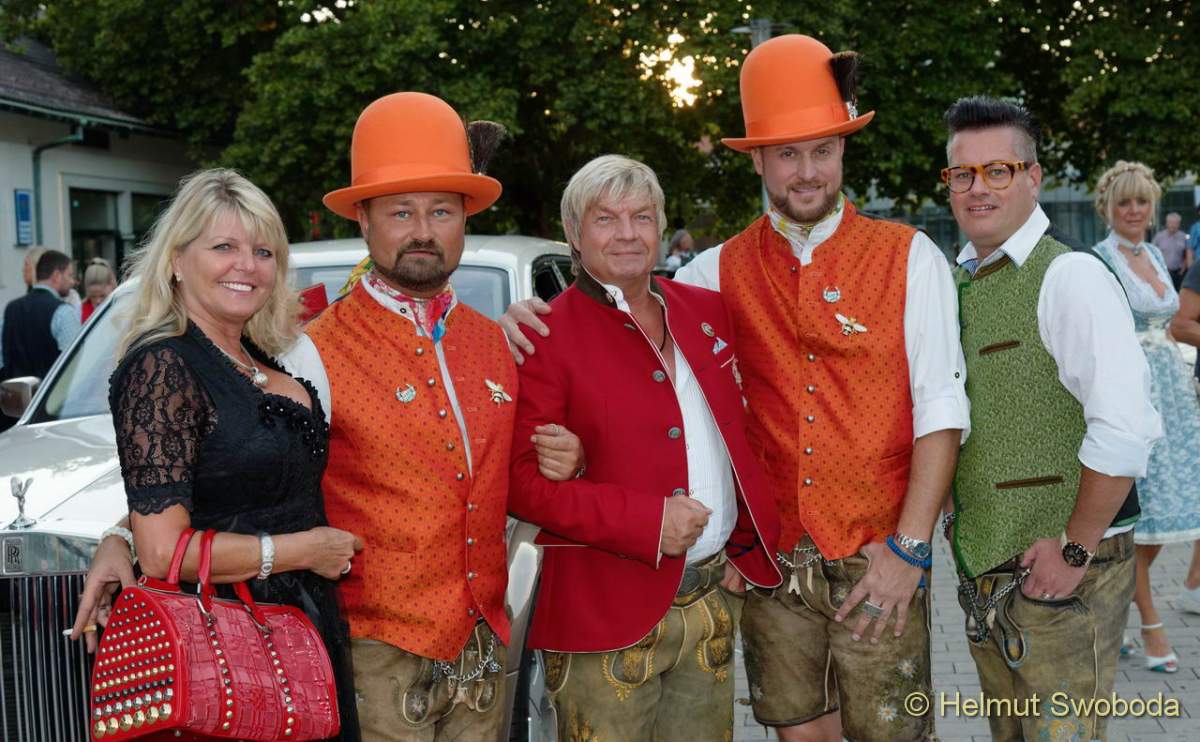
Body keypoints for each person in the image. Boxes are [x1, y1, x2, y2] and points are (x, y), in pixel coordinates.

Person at [502, 35, 968, 742]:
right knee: (798, 732)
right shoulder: (710, 274)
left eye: (822, 151)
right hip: (773, 571)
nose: (806, 171)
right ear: (757, 160)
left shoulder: (911, 257)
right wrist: (515, 321)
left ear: (844, 150)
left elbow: (941, 410)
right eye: (786, 154)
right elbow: (648, 378)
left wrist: (911, 550)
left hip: (880, 557)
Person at [507, 154, 781, 741]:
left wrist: (744, 542)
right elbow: (523, 486)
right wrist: (649, 522)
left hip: (709, 606)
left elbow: (742, 432)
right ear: (574, 233)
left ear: (661, 226)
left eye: (642, 216)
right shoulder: (543, 335)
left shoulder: (706, 311)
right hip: (601, 618)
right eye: (605, 218)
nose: (627, 233)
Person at [85, 168, 363, 739]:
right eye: (223, 247)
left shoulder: (264, 357)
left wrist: (116, 532)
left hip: (300, 631)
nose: (247, 265)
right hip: (226, 648)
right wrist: (302, 550)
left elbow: (219, 484)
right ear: (176, 260)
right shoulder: (162, 366)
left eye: (263, 251)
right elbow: (163, 552)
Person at [943, 97, 1162, 741]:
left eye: (999, 170)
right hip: (993, 569)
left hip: (1066, 573)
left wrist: (1074, 548)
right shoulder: (961, 278)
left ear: (1033, 177)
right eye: (963, 174)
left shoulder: (1070, 275)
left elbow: (1125, 428)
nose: (978, 188)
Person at [1091, 162, 1200, 674]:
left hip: (1172, 394)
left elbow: (1173, 323)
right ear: (1108, 208)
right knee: (1140, 518)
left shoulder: (1154, 253)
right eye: (1124, 203)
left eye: (1141, 202)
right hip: (1133, 392)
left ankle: (1112, 614)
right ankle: (1151, 624)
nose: (1134, 211)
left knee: (1167, 514)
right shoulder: (1101, 260)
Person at [0, 249, 81, 380]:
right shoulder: (63, 311)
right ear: (57, 275)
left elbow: (3, 360)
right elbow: (76, 362)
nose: (72, 281)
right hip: (53, 391)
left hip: (15, 391)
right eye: (69, 275)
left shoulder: (11, 309)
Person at [1152, 211, 1189, 289]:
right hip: (1163, 273)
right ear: (1166, 223)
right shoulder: (1159, 237)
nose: (1173, 225)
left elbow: (1187, 254)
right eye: (1171, 222)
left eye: (1175, 223)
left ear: (1179, 224)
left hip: (1179, 274)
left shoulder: (1183, 237)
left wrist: (1183, 269)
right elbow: (1151, 254)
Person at [81, 256, 118, 322]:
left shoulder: (121, 308)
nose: (98, 301)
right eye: (93, 296)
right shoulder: (79, 311)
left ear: (112, 286)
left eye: (102, 296)